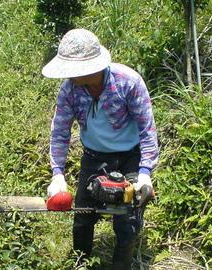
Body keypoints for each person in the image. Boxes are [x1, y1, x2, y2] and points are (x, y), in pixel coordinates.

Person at [42, 29, 158, 269]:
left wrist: (145, 173)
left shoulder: (129, 82)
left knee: (128, 222)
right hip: (94, 157)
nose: (68, 75)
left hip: (129, 158)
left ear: (88, 67)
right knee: (83, 217)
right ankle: (81, 263)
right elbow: (60, 131)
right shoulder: (69, 90)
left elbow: (147, 130)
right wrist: (57, 174)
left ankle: (121, 265)